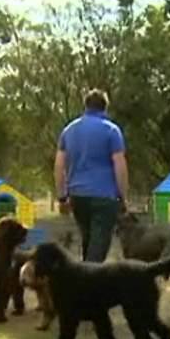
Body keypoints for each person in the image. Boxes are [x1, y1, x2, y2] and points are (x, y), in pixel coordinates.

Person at [54, 89, 129, 263]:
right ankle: (87, 283)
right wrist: (123, 197)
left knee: (88, 242)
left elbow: (59, 166)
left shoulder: (68, 131)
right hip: (105, 197)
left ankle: (85, 279)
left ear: (85, 106)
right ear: (105, 108)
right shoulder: (112, 131)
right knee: (98, 247)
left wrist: (62, 197)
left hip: (78, 196)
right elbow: (120, 165)